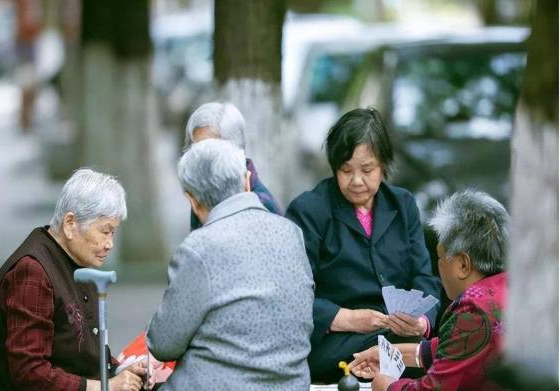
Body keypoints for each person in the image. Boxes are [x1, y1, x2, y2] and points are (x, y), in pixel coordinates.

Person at [285, 107, 441, 383]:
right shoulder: (309, 211)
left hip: (400, 335)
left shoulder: (402, 205)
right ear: (334, 168)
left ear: (383, 166)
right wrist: (349, 318)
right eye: (346, 171)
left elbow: (425, 278)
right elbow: (291, 294)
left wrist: (421, 322)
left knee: (440, 343)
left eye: (367, 170)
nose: (357, 181)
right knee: (413, 352)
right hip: (333, 342)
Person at [146, 139, 314, 390]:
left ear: (192, 200)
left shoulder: (198, 248)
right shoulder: (292, 233)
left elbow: (163, 343)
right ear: (247, 181)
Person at [0, 169, 144, 391]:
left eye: (113, 233)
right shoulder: (32, 271)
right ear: (70, 223)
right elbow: (29, 372)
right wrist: (104, 387)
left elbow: (83, 353)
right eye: (105, 232)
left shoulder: (76, 258)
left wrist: (120, 370)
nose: (110, 244)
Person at [349, 190, 509, 391]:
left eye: (440, 257)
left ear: (463, 265)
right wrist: (393, 354)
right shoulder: (510, 287)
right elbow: (458, 350)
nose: (438, 266)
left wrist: (387, 386)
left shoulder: (473, 308)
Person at [184, 101, 282, 229]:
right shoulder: (204, 191)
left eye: (211, 150)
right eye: (196, 150)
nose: (200, 159)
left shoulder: (262, 206)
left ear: (236, 149)